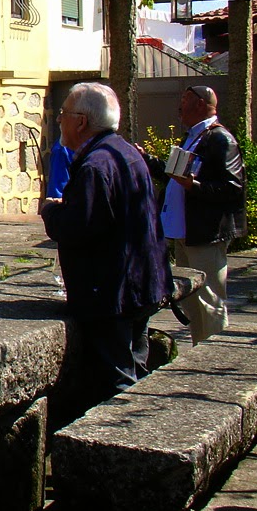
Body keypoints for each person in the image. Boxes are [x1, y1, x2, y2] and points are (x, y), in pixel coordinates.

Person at [41, 83, 169, 408]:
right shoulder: (124, 152)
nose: (60, 121)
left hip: (112, 294)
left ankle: (124, 437)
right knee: (135, 371)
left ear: (81, 121)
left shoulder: (96, 165)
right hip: (139, 285)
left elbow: (77, 227)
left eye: (64, 114)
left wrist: (52, 210)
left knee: (115, 386)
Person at [144, 84, 246, 344]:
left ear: (201, 103)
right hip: (184, 233)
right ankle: (200, 345)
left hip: (205, 235)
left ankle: (213, 354)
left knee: (208, 300)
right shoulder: (193, 137)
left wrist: (195, 186)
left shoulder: (221, 139)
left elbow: (233, 187)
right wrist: (147, 160)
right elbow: (174, 176)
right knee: (191, 300)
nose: (180, 105)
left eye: (185, 99)